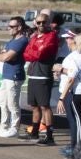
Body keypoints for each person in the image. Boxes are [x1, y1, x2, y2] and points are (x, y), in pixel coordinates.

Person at [22, 9, 61, 145]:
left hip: (43, 75)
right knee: (34, 106)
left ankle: (49, 136)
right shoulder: (34, 37)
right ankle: (34, 133)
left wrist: (35, 51)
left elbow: (40, 54)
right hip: (33, 74)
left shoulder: (51, 36)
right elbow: (26, 54)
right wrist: (35, 50)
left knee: (45, 106)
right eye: (38, 22)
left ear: (49, 23)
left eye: (44, 22)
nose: (41, 25)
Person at [0, 15, 29, 137]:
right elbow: (0, 56)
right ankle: (4, 125)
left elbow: (6, 57)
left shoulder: (22, 41)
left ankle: (15, 127)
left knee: (13, 104)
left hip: (14, 75)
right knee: (3, 102)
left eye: (12, 26)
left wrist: (5, 56)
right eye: (9, 26)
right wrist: (4, 56)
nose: (9, 28)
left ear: (19, 27)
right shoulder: (11, 41)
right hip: (6, 75)